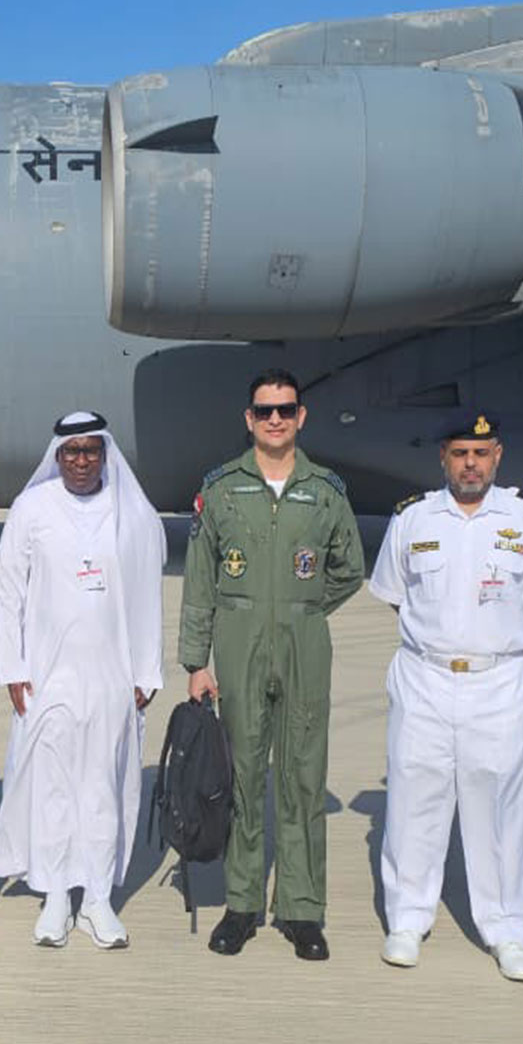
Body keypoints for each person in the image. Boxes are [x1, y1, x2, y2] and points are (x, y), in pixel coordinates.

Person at [367, 412, 523, 980]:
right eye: (459, 453)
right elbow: (395, 593)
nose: (470, 464)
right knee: (413, 800)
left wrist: (487, 641)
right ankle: (407, 920)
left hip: (498, 680)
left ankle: (507, 931)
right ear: (443, 458)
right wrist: (442, 638)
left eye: (480, 453)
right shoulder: (413, 517)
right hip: (424, 676)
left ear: (497, 455)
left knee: (498, 806)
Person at [181, 368, 364, 961]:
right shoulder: (221, 489)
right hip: (238, 644)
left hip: (303, 646)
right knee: (240, 775)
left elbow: (349, 568)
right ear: (249, 419)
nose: (276, 419)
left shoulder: (326, 490)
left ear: (301, 416)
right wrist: (196, 661)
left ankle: (302, 909)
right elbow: (200, 580)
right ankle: (241, 905)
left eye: (286, 409)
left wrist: (303, 609)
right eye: (265, 411)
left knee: (303, 776)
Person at [0, 411, 164, 948]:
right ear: (58, 456)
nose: (82, 461)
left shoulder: (130, 512)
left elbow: (147, 594)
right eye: (72, 451)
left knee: (102, 787)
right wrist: (14, 668)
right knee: (52, 787)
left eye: (91, 450)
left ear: (105, 454)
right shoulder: (32, 509)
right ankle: (56, 896)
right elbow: (9, 591)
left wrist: (147, 669)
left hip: (113, 675)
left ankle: (97, 899)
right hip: (48, 676)